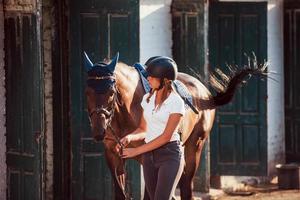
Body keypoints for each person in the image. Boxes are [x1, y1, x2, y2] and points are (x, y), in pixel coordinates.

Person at [115, 56, 185, 200]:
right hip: (149, 157)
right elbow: (143, 129)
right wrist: (129, 137)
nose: (148, 79)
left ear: (165, 80)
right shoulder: (147, 98)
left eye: (152, 77)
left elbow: (166, 137)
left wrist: (136, 151)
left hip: (169, 155)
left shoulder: (176, 102)